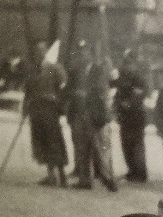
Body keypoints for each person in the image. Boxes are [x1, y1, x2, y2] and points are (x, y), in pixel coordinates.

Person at [22, 40, 68, 187]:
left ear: (47, 51)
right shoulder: (33, 69)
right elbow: (27, 91)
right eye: (37, 50)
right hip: (36, 109)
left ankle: (62, 176)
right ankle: (51, 176)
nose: (39, 52)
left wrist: (59, 102)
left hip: (50, 109)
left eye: (42, 49)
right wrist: (25, 108)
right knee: (42, 141)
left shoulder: (55, 67)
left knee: (55, 141)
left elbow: (64, 85)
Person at [74, 45, 117, 191]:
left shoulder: (98, 70)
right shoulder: (77, 71)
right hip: (81, 113)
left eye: (85, 53)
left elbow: (101, 88)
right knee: (82, 147)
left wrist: (84, 93)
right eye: (80, 53)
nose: (82, 56)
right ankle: (84, 180)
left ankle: (109, 180)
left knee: (101, 147)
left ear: (90, 55)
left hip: (95, 114)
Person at [113, 48, 148, 183]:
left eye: (129, 61)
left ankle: (140, 173)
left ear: (134, 62)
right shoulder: (123, 76)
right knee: (126, 144)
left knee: (137, 145)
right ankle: (132, 171)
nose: (127, 64)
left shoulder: (138, 77)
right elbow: (117, 92)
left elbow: (141, 93)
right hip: (125, 116)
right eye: (126, 61)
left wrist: (129, 103)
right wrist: (117, 106)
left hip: (136, 115)